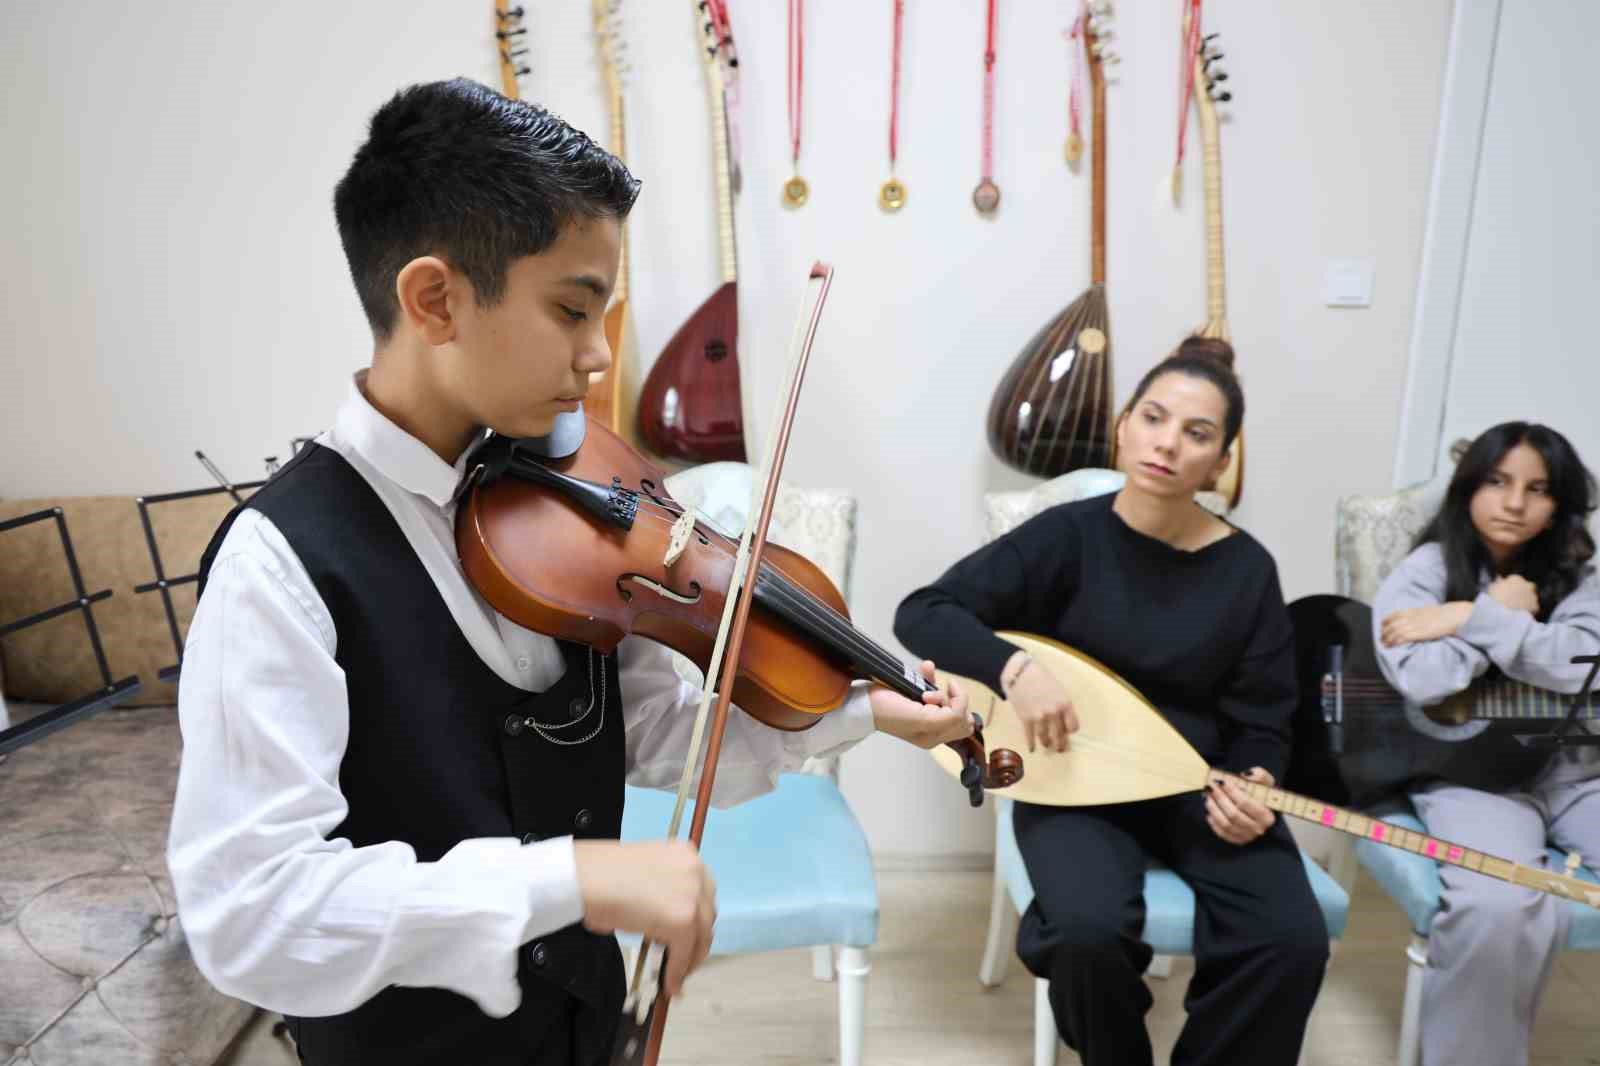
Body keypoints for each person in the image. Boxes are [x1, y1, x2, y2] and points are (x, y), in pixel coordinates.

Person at [166, 78, 972, 1066]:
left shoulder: (565, 499)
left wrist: (862, 706)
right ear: (434, 299)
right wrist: (576, 880)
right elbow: (251, 915)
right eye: (571, 309)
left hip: (588, 1029)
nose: (599, 358)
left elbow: (652, 731)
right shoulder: (280, 569)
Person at [895, 350, 1328, 1066]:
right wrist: (1015, 668)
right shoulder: (1067, 536)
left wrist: (1255, 779)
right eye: (1153, 419)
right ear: (1123, 430)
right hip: (1074, 783)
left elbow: (1265, 715)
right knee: (1084, 933)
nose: (1167, 442)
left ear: (1221, 462)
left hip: (1202, 784)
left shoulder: (1247, 570)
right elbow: (925, 611)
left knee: (1290, 938)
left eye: (1196, 433)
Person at [1374, 421, 1600, 1066]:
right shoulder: (1423, 571)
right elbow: (1421, 678)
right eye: (1498, 482)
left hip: (1579, 772)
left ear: (1559, 505)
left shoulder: (1579, 575)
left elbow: (1585, 664)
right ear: (1469, 487)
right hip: (1474, 776)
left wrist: (1471, 618)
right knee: (1499, 902)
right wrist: (1497, 614)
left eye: (1538, 489)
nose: (1514, 503)